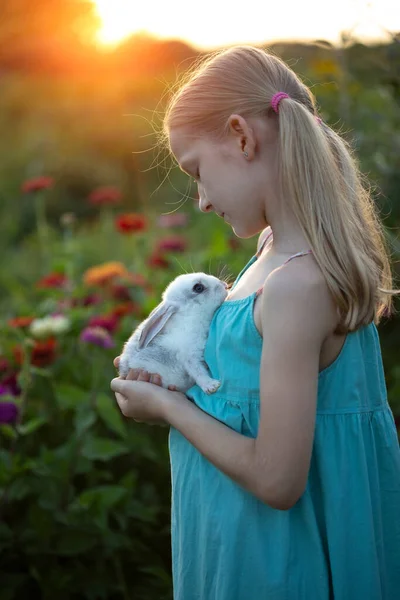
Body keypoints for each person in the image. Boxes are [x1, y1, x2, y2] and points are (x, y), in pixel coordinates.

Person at [111, 45, 400, 599]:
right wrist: (166, 383)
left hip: (279, 567)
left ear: (243, 137)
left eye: (197, 171)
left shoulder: (297, 285)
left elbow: (277, 478)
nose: (199, 200)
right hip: (234, 545)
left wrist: (169, 409)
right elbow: (240, 400)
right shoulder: (269, 254)